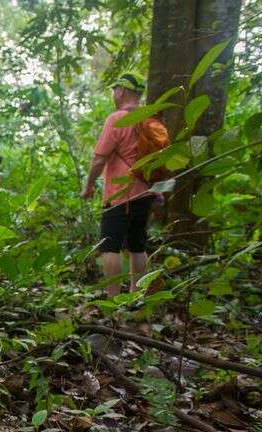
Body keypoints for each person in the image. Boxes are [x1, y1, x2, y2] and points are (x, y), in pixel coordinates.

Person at [81, 73, 159, 297]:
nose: (114, 94)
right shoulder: (149, 119)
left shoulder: (117, 119)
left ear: (123, 91)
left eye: (115, 89)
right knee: (137, 245)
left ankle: (113, 299)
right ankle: (137, 297)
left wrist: (88, 186)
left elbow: (99, 158)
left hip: (120, 193)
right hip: (145, 192)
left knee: (110, 246)